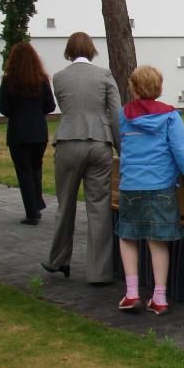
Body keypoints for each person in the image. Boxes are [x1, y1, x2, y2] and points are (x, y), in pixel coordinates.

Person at [116, 65, 184, 314]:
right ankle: (159, 297)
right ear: (159, 88)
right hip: (161, 186)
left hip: (130, 185)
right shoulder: (170, 116)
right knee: (158, 241)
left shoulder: (124, 115)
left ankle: (132, 292)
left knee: (128, 236)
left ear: (134, 88)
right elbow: (182, 152)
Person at [42, 32, 122, 285]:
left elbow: (67, 109)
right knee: (98, 206)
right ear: (91, 50)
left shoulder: (59, 77)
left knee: (65, 204)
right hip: (99, 143)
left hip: (67, 142)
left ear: (68, 50)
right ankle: (99, 272)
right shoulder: (104, 75)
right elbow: (115, 114)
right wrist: (121, 149)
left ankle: (58, 260)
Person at [0, 42, 56, 225]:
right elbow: (50, 106)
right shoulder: (42, 79)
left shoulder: (9, 80)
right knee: (36, 169)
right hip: (38, 131)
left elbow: (3, 107)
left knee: (24, 173)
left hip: (18, 132)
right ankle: (36, 206)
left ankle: (32, 213)